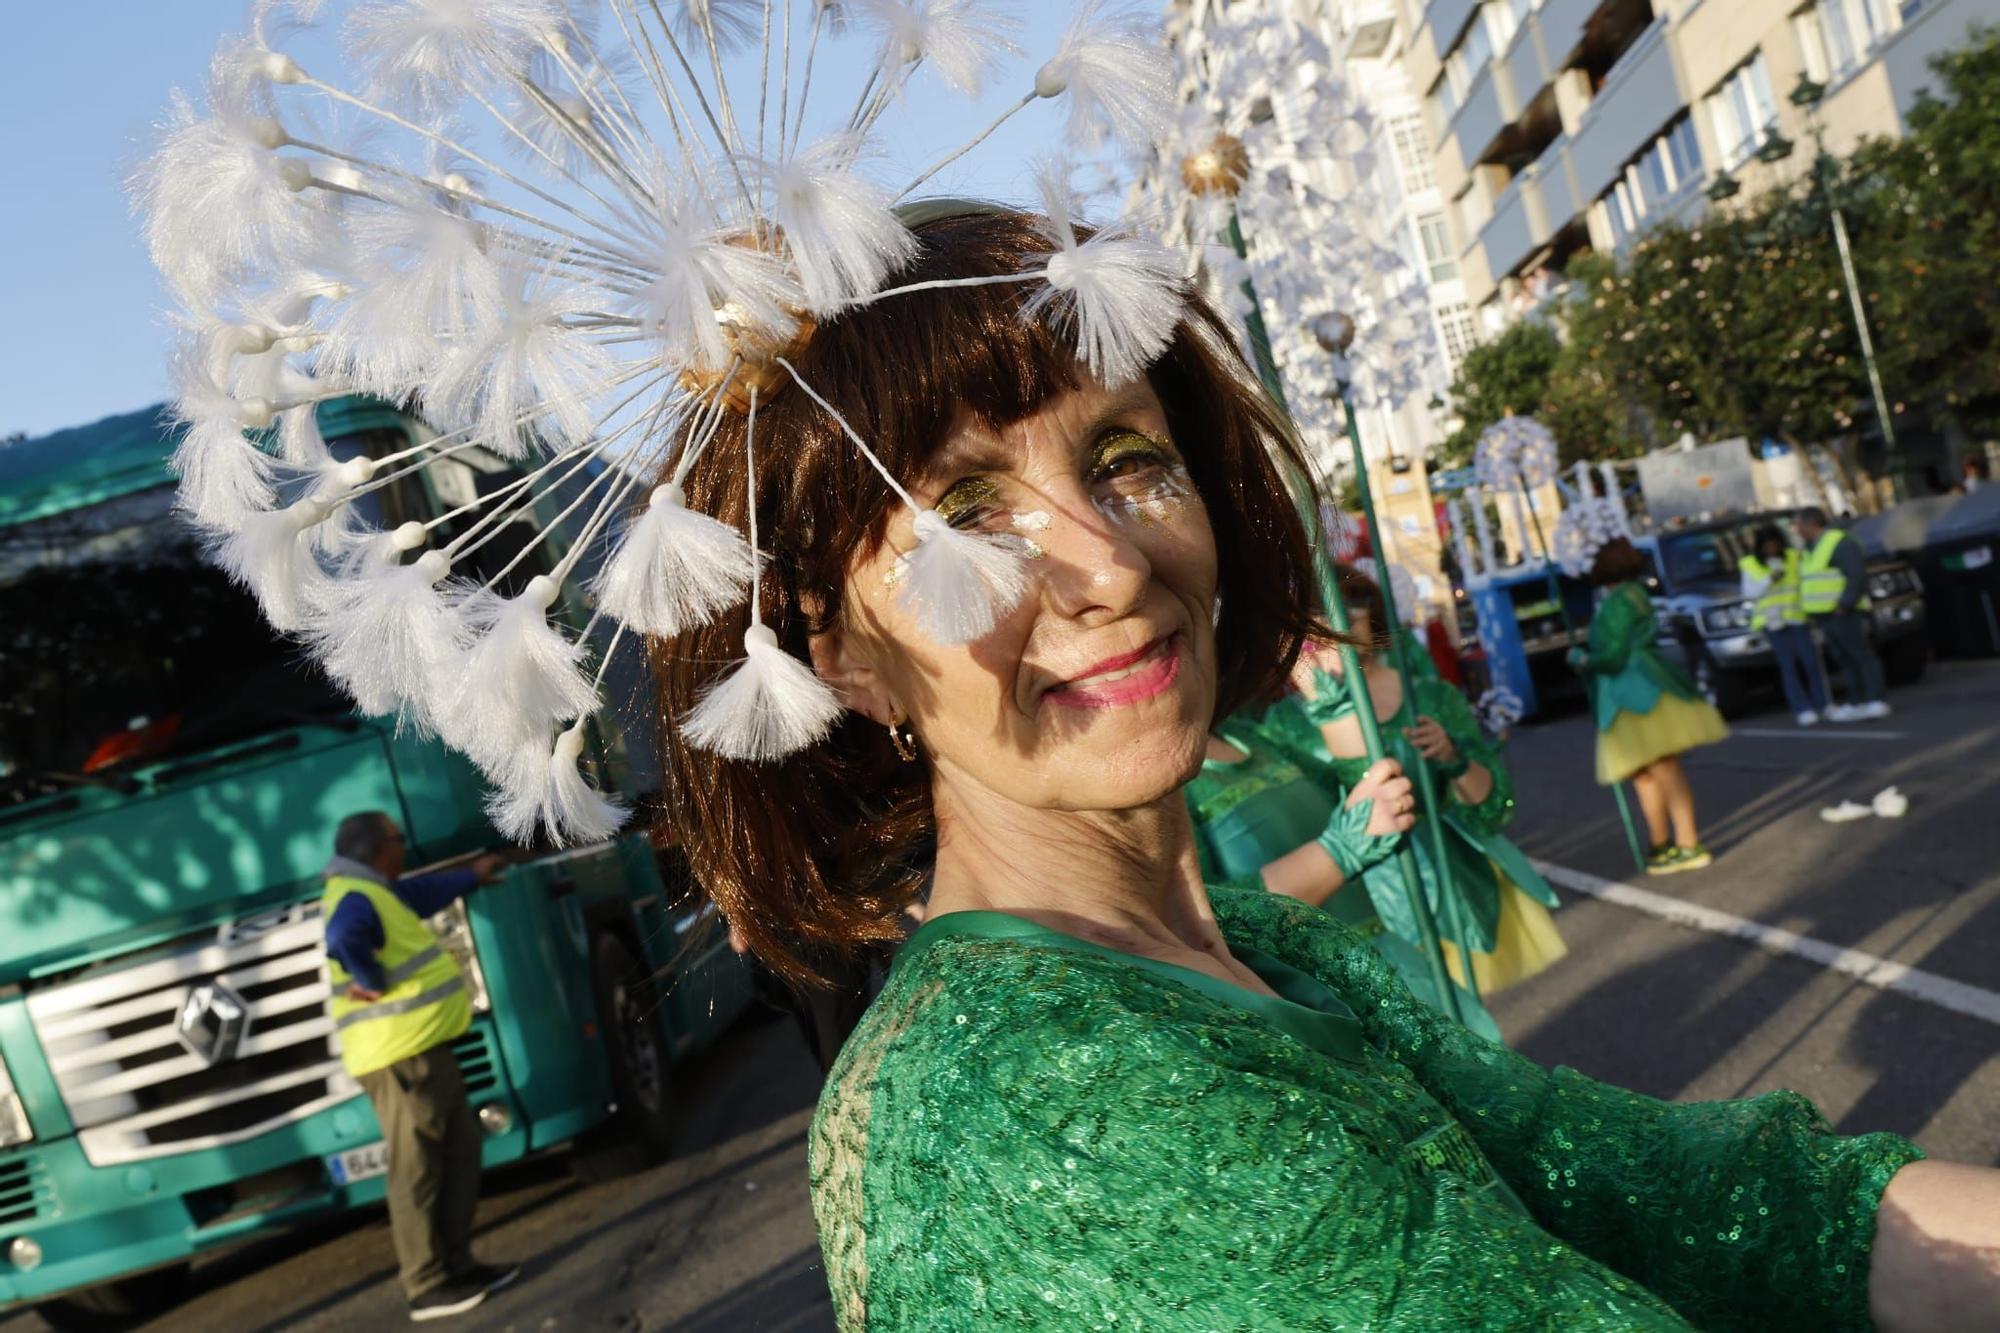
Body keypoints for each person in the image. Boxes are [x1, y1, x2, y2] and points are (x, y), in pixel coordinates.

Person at [652, 209, 2000, 1329]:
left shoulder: (1254, 948)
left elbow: (1638, 1183)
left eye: (1126, 463)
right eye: (967, 521)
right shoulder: (1047, 1096)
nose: (1111, 565)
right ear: (835, 653)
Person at [1265, 565, 1567, 1001]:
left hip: (1446, 880)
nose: (1341, 639)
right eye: (1322, 629)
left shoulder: (1429, 695)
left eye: (1350, 620)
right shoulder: (1284, 726)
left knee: (1467, 1027)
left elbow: (1495, 807)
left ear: (1374, 620)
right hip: (1355, 905)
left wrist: (1452, 758)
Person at [1181, 712, 1500, 1037]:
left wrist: (1336, 710)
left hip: (1396, 973)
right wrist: (1338, 851)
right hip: (1321, 1011)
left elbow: (1360, 793)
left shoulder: (1248, 735)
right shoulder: (1172, 784)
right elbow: (1204, 918)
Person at [322, 813, 517, 1323]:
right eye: (399, 840)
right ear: (378, 848)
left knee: (459, 1154)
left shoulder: (377, 892)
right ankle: (425, 1283)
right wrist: (367, 976)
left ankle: (457, 1264)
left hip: (423, 1050)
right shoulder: (354, 898)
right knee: (418, 1170)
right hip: (399, 1058)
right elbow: (344, 939)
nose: (404, 847)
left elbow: (421, 895)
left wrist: (472, 875)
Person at [1572, 537, 1730, 874]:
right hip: (1641, 684)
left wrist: (1582, 658)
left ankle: (1686, 842)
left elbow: (1612, 657)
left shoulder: (1617, 602)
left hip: (1633, 691)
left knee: (1659, 769)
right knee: (1647, 772)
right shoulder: (1634, 594)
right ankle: (1661, 843)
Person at [1795, 506, 1890, 721]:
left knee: (1860, 654)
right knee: (1844, 658)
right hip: (1823, 614)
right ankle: (1857, 700)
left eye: (1798, 524)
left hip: (1842, 611)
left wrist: (1845, 604)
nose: (1796, 529)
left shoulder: (1839, 542)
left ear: (1812, 523)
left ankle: (1877, 699)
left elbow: (1856, 575)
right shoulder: (1809, 548)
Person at [1739, 525, 1830, 726]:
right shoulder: (1750, 564)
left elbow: (1803, 583)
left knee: (1810, 661)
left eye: (1774, 545)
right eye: (1767, 546)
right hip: (1772, 622)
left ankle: (1823, 704)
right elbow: (1749, 593)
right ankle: (1802, 708)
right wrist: (1768, 580)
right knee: (1788, 666)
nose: (1771, 549)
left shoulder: (1793, 557)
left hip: (1796, 617)